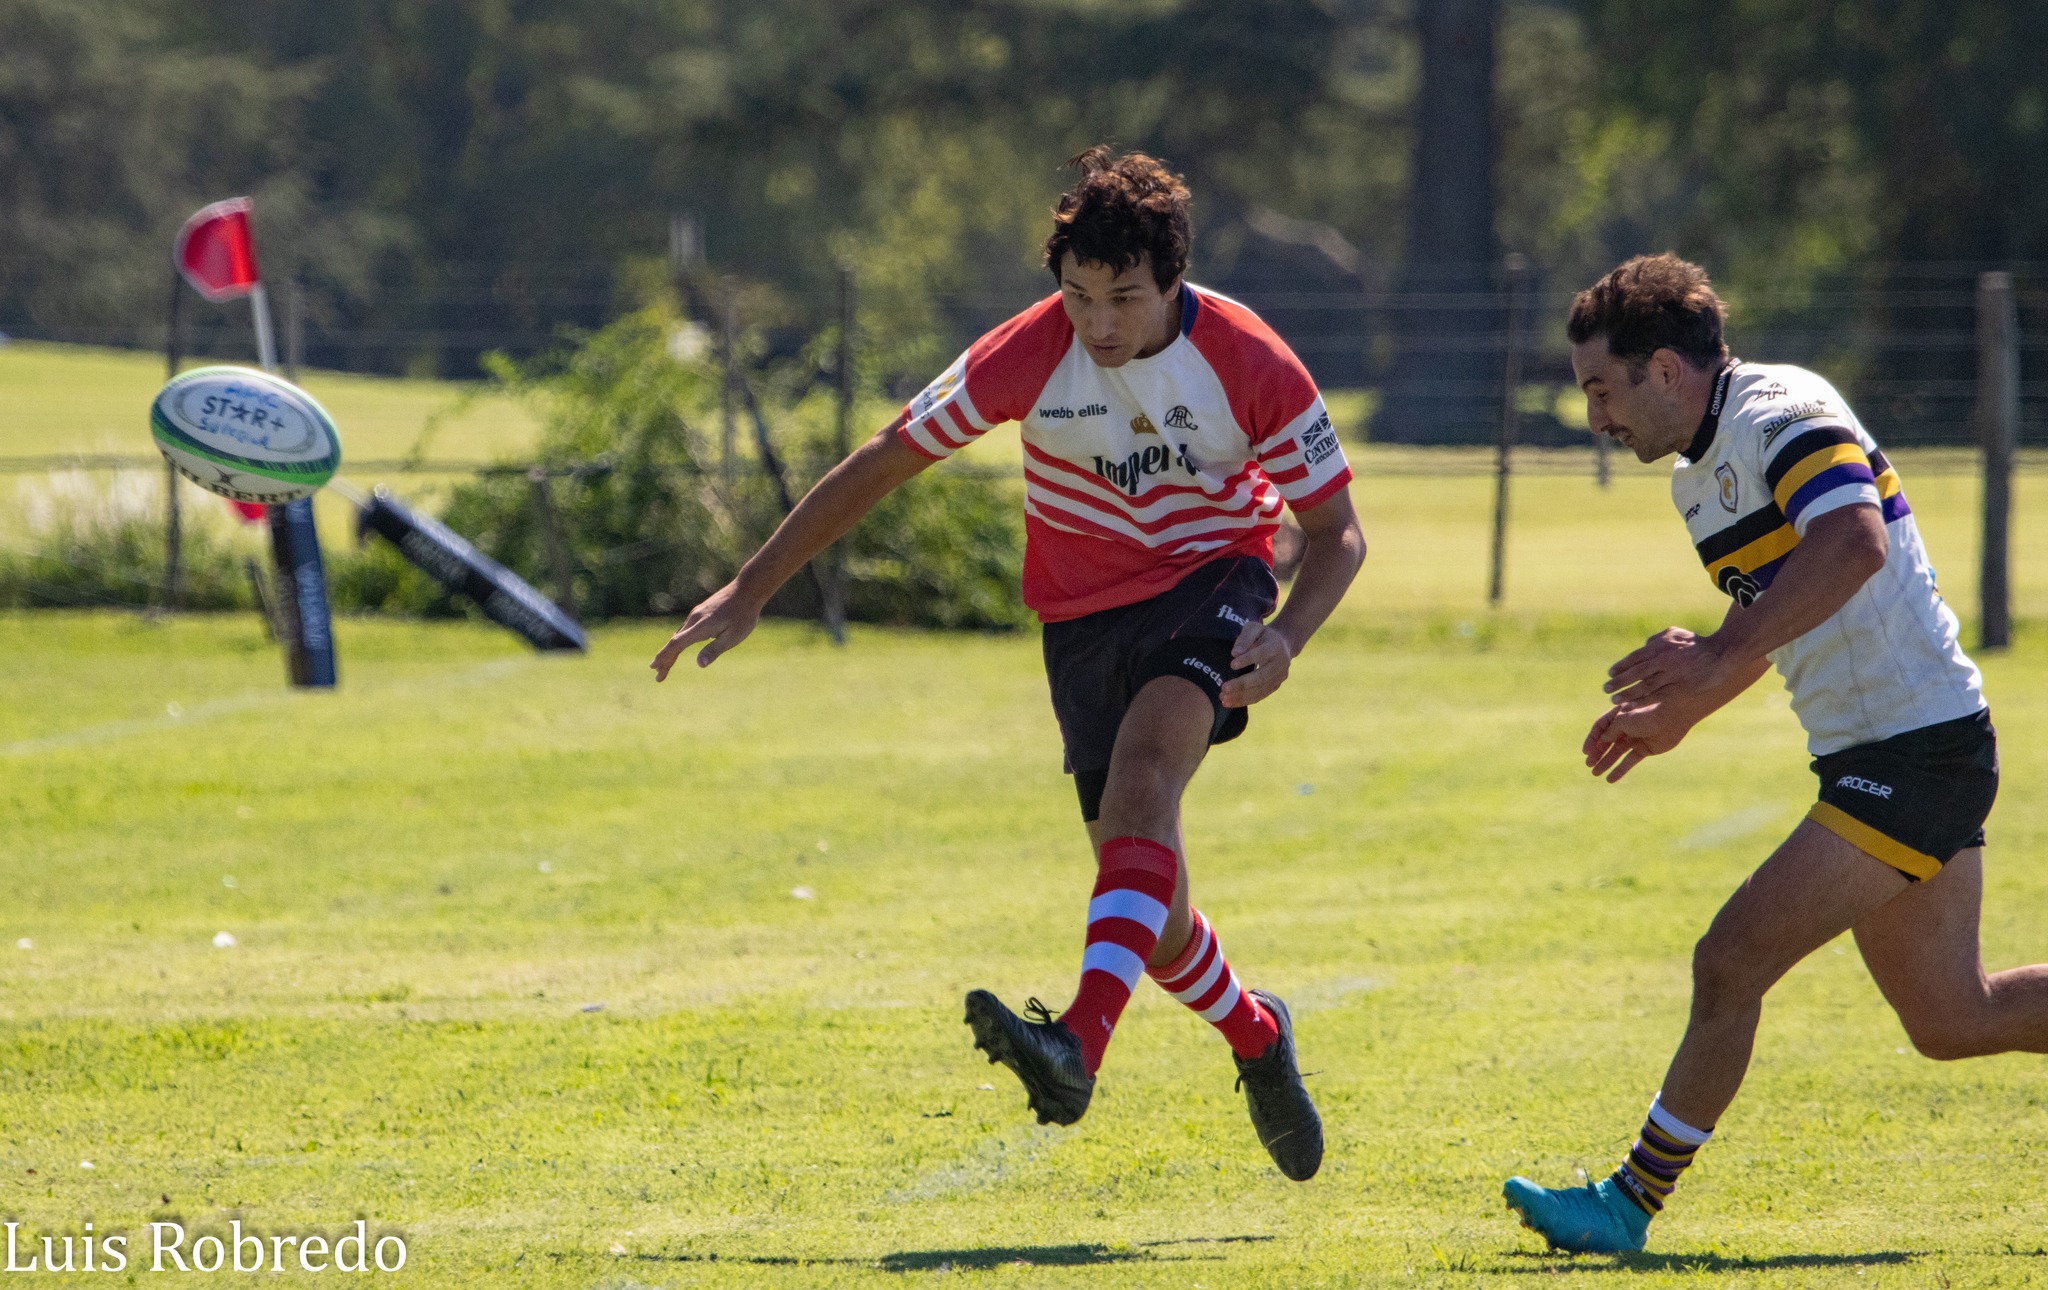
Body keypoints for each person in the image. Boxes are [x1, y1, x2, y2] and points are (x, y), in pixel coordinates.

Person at [652, 148, 1365, 1180]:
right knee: (1150, 906)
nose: (1101, 324)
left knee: (1142, 791)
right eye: (1079, 296)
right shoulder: (1030, 351)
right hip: (1079, 621)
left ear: (1174, 280)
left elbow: (1335, 529)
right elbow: (885, 458)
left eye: (1123, 297)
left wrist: (1285, 639)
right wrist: (752, 586)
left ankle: (1076, 1043)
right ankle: (1257, 1033)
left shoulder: (1250, 359)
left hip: (1211, 580)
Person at [1503, 253, 2048, 1252]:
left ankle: (1625, 1205)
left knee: (1729, 957)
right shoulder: (1693, 482)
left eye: (1598, 390)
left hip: (1916, 748)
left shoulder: (1780, 411)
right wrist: (1690, 705)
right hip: (1882, 751)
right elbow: (1781, 608)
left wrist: (1711, 653)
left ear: (1662, 369)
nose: (1593, 419)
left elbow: (1850, 545)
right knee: (1952, 1019)